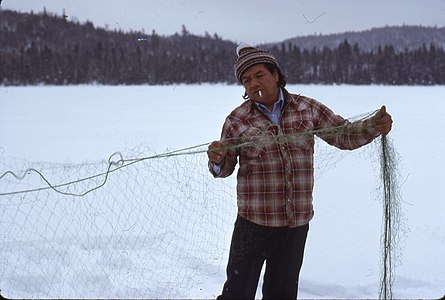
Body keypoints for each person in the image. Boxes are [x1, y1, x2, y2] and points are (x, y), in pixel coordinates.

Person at [207, 44, 393, 299]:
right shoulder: (237, 120)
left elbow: (344, 135)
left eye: (259, 75)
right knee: (237, 294)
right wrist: (218, 159)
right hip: (252, 225)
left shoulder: (307, 108)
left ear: (276, 74)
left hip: (294, 226)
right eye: (246, 80)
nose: (253, 84)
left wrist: (373, 126)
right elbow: (224, 167)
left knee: (282, 294)